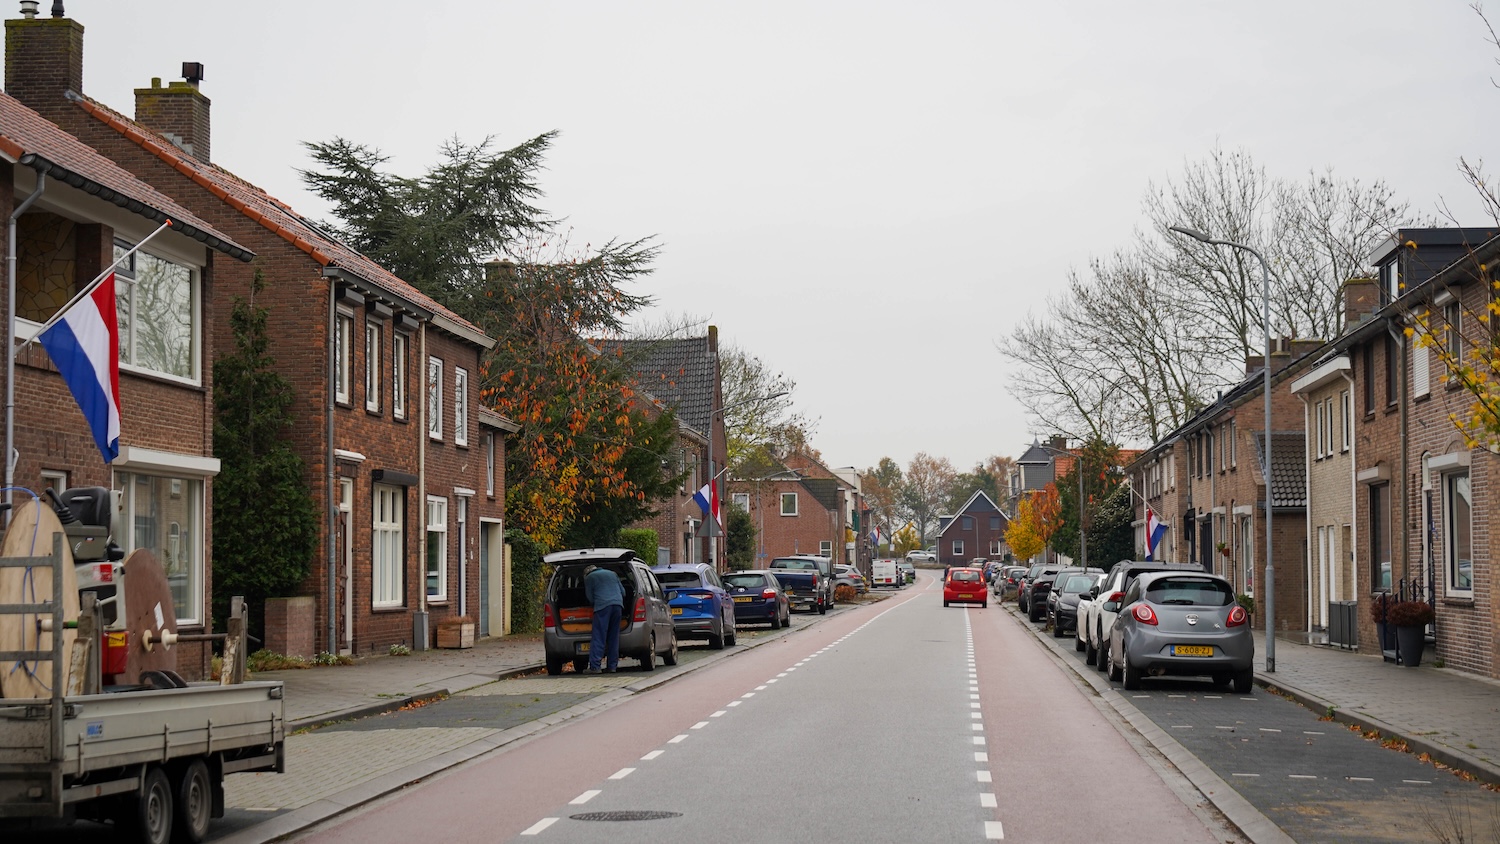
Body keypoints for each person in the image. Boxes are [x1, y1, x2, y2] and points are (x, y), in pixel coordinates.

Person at [583, 564, 624, 673]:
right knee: (613, 637)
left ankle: (595, 666)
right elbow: (623, 592)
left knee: (599, 636)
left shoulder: (589, 578)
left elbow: (590, 598)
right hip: (618, 606)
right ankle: (612, 666)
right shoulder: (612, 574)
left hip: (602, 607)